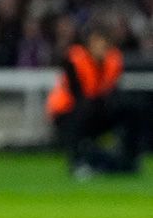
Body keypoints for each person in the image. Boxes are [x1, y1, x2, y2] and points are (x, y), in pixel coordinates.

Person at [47, 24, 142, 177]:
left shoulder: (113, 60)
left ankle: (129, 159)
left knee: (131, 109)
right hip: (67, 112)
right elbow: (77, 95)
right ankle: (78, 161)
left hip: (94, 107)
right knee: (84, 110)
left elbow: (111, 90)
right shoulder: (75, 60)